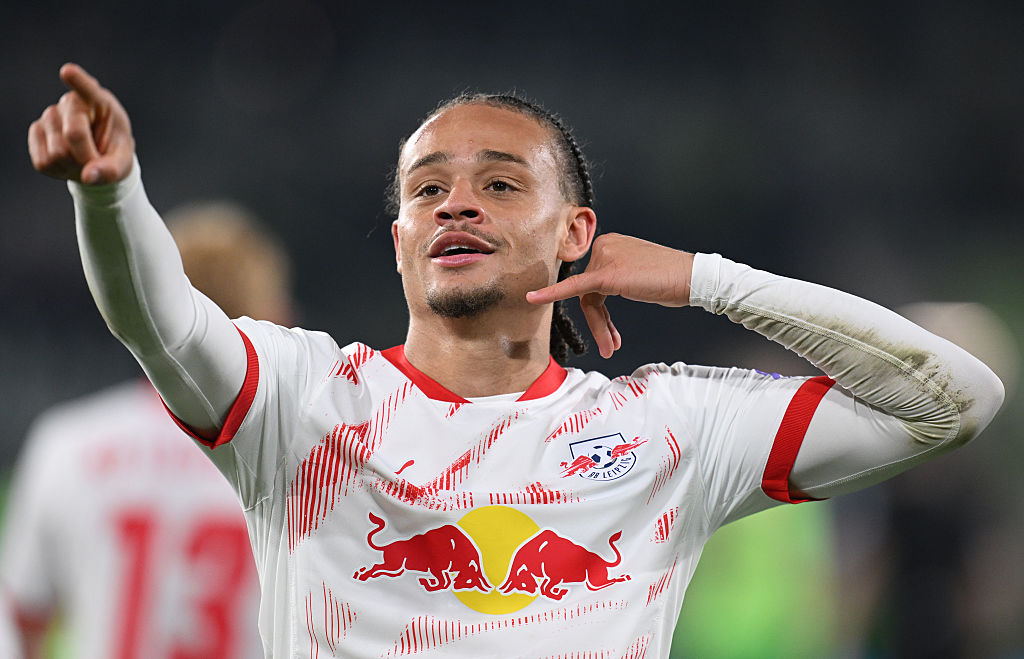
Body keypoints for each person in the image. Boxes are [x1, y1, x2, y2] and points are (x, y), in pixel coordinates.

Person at [27, 63, 1004, 658]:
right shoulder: (302, 402)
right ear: (402, 238)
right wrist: (110, 196)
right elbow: (160, 320)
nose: (456, 201)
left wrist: (705, 278)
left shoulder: (666, 429)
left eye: (500, 183)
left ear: (575, 231)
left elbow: (953, 398)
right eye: (428, 189)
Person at [0, 201, 292, 658]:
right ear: (269, 315)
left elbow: (21, 624)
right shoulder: (304, 462)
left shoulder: (68, 444)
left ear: (149, 311)